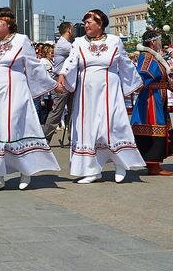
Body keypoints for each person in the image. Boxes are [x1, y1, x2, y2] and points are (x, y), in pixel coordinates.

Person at [0, 7, 59, 192]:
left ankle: (25, 171)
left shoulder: (21, 40)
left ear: (8, 23)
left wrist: (49, 83)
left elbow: (32, 65)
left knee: (15, 127)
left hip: (16, 90)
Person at [56, 9, 143, 184]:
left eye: (89, 22)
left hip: (109, 90)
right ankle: (92, 170)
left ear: (100, 24)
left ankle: (121, 164)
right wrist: (62, 76)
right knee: (87, 127)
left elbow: (125, 62)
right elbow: (71, 61)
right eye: (85, 22)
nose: (86, 25)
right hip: (86, 92)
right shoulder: (79, 42)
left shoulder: (114, 41)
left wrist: (134, 83)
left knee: (111, 125)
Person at [130, 29, 173, 176]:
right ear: (152, 42)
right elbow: (143, 75)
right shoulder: (146, 57)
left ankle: (154, 163)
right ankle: (153, 165)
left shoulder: (154, 57)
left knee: (159, 125)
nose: (160, 43)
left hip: (157, 97)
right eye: (159, 40)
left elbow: (162, 77)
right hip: (150, 99)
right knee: (153, 126)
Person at [42, 21, 74, 143]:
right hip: (61, 81)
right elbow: (79, 52)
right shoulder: (63, 45)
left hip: (69, 81)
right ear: (69, 30)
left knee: (73, 111)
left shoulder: (66, 43)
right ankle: (44, 140)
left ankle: (73, 138)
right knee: (57, 111)